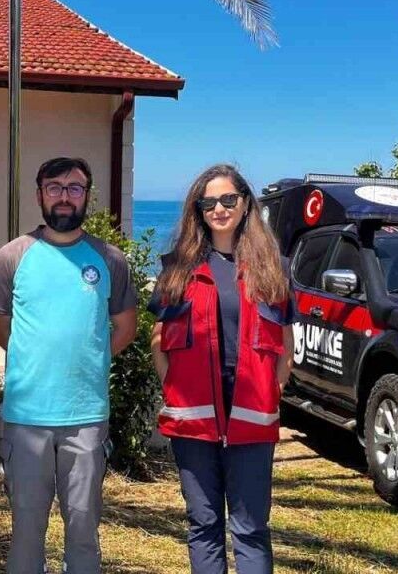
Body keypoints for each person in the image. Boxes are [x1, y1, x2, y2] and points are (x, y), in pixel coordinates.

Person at [0, 156, 139, 574]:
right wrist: (35, 357)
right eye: (54, 187)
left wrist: (87, 357)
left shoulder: (110, 259)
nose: (64, 197)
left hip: (86, 417)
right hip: (25, 418)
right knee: (26, 532)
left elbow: (125, 328)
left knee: (84, 531)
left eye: (74, 188)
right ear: (40, 195)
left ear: (87, 196)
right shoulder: (13, 256)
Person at [150, 164, 295, 574]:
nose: (219, 209)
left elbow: (285, 343)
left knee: (251, 529)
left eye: (228, 199)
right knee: (204, 523)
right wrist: (171, 386)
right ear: (198, 210)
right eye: (209, 202)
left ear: (245, 203)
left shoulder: (274, 268)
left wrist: (274, 389)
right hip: (193, 419)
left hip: (252, 415)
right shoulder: (177, 268)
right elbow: (158, 339)